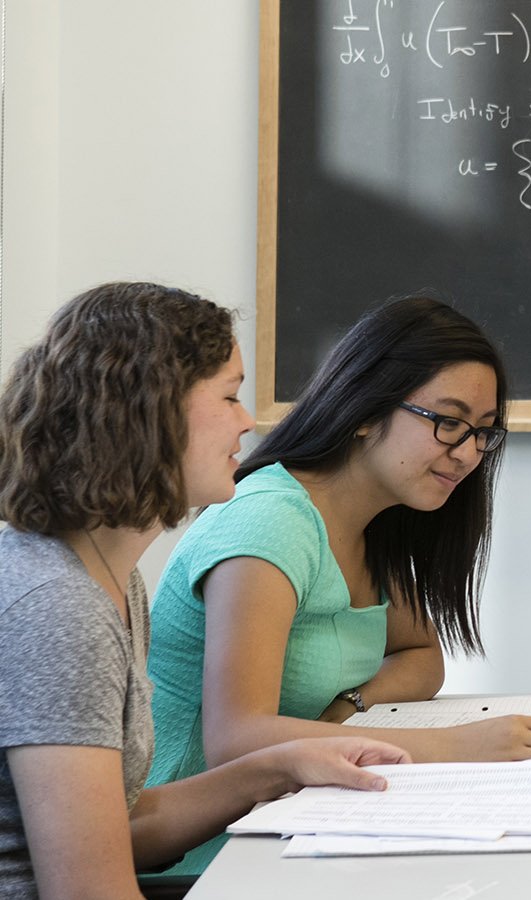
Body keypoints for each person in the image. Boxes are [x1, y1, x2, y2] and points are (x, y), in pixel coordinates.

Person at [0, 282, 408, 900]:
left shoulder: (114, 578)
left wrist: (281, 765)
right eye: (230, 395)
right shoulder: (58, 609)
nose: (249, 421)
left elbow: (127, 827)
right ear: (149, 409)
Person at [146, 295, 531, 874]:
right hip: (202, 859)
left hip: (295, 822)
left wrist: (347, 711)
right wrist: (454, 749)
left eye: (483, 432)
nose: (468, 453)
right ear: (365, 411)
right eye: (448, 421)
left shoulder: (378, 520)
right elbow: (234, 737)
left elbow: (421, 656)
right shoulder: (269, 519)